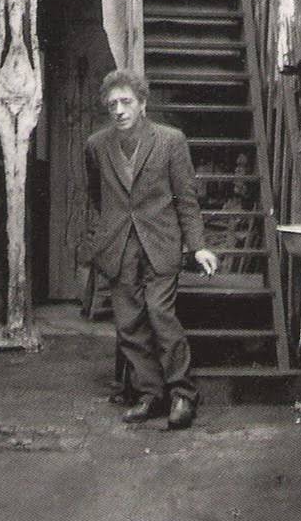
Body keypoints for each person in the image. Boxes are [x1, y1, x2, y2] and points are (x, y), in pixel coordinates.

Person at [83, 69, 218, 429]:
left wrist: (197, 246)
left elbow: (186, 199)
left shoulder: (170, 141)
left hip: (160, 243)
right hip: (118, 246)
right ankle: (150, 394)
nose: (119, 110)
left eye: (126, 102)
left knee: (160, 314)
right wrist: (103, 236)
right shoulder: (97, 145)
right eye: (112, 104)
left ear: (142, 104)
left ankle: (182, 394)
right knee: (129, 324)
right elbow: (97, 195)